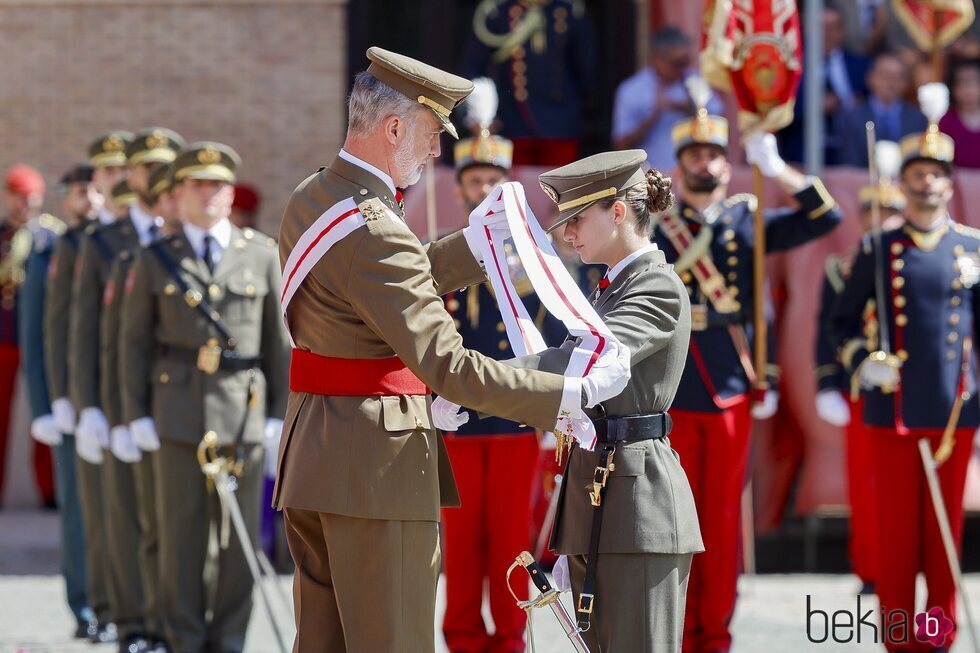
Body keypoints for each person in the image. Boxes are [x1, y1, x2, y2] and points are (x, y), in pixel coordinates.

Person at [275, 47, 629, 653]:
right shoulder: (376, 229)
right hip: (377, 471)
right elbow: (447, 362)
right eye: (432, 131)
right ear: (393, 128)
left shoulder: (316, 196)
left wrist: (472, 243)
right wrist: (566, 394)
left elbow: (380, 289)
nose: (438, 149)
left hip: (317, 452)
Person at [470, 149, 703, 651]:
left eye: (576, 219)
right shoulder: (609, 290)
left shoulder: (656, 285)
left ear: (617, 212)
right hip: (599, 501)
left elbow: (578, 363)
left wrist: (471, 387)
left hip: (640, 509)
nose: (566, 233)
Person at [657, 103, 842, 653]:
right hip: (669, 384)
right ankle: (675, 631)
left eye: (715, 155)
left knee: (718, 522)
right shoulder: (654, 222)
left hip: (732, 387)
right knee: (670, 522)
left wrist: (780, 168)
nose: (706, 164)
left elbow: (825, 218)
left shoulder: (747, 219)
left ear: (726, 162)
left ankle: (715, 635)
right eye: (695, 154)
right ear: (680, 162)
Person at [120, 142, 290, 653]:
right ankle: (184, 640)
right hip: (176, 417)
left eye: (218, 184)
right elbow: (133, 345)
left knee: (240, 545)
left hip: (244, 416)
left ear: (231, 191)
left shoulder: (260, 255)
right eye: (198, 184)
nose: (210, 193)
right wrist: (136, 416)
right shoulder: (155, 259)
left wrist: (280, 417)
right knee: (180, 540)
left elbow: (279, 347)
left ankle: (229, 639)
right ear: (178, 195)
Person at [831, 101, 975, 653]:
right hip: (891, 412)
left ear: (947, 182)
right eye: (918, 174)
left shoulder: (973, 247)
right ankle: (898, 641)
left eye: (937, 174)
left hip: (953, 413)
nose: (928, 183)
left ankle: (936, 639)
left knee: (943, 540)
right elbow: (840, 326)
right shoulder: (876, 247)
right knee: (896, 541)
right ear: (904, 181)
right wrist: (864, 362)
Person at [441, 87, 566, 653]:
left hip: (516, 423)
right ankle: (464, 640)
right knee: (462, 544)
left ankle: (511, 640)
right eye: (475, 181)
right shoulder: (441, 253)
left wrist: (553, 409)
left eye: (495, 180)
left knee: (514, 542)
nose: (484, 189)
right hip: (461, 422)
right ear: (462, 186)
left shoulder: (536, 260)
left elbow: (560, 338)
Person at [103, 127, 185, 653]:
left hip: (175, 399)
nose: (155, 175)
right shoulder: (108, 240)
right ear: (131, 174)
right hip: (124, 397)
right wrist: (93, 407)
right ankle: (133, 623)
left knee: (169, 523)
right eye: (146, 166)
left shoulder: (183, 235)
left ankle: (165, 625)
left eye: (165, 165)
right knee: (129, 519)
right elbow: (95, 333)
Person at [814, 161, 906, 596]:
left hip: (910, 388)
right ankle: (870, 567)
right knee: (866, 483)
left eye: (890, 212)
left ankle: (907, 562)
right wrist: (827, 381)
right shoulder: (842, 266)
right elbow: (828, 327)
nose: (881, 221)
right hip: (861, 385)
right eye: (873, 213)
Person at [39, 164, 102, 638]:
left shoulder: (120, 245)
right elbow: (41, 334)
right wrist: (47, 404)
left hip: (112, 397)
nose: (93, 200)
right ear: (66, 198)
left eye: (98, 191)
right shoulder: (52, 249)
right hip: (69, 400)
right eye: (83, 191)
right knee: (79, 512)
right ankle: (83, 606)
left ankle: (112, 603)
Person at [462, 0, 597, 166]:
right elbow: (474, 69)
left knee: (558, 187)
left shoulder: (570, 13)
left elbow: (586, 72)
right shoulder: (497, 13)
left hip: (561, 123)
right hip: (512, 120)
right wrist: (481, 115)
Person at [0, 164, 56, 507]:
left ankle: (49, 491)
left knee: (44, 414)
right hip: (3, 334)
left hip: (39, 338)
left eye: (32, 198)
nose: (26, 204)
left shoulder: (50, 237)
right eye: (19, 197)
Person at [611, 27, 723, 170]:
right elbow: (621, 144)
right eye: (676, 63)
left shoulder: (696, 82)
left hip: (692, 176)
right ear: (657, 58)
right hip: (650, 178)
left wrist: (693, 109)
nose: (682, 69)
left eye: (686, 62)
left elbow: (721, 127)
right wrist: (654, 114)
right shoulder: (632, 90)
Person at [779, 5, 870, 165]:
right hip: (800, 154)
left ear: (842, 30)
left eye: (833, 27)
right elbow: (780, 111)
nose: (826, 34)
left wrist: (854, 107)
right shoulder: (791, 66)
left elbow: (874, 107)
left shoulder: (861, 66)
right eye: (821, 27)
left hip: (851, 157)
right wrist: (813, 107)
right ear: (807, 28)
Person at [837, 53, 927, 167]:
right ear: (870, 78)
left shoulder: (918, 118)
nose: (891, 82)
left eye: (898, 77)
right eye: (885, 75)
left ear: (906, 83)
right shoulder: (852, 117)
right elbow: (850, 165)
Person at [940, 57, 980, 169]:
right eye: (961, 83)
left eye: (973, 82)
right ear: (952, 88)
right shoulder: (945, 121)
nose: (968, 89)